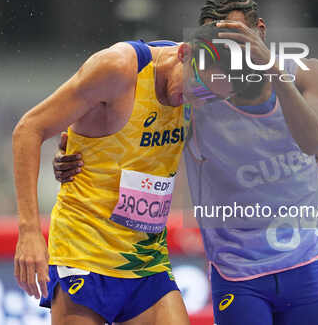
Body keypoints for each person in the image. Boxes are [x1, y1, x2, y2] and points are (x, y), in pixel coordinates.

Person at [53, 0, 318, 325]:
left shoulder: (305, 74)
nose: (226, 54)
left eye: (236, 40)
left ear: (260, 32)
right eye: (215, 43)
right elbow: (127, 96)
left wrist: (270, 68)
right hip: (237, 270)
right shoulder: (193, 91)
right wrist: (78, 148)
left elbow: (311, 141)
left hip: (302, 263)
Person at [12, 39, 191, 325]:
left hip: (146, 259)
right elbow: (28, 129)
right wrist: (29, 232)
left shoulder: (208, 84)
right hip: (84, 252)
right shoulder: (118, 68)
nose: (192, 99)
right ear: (185, 53)